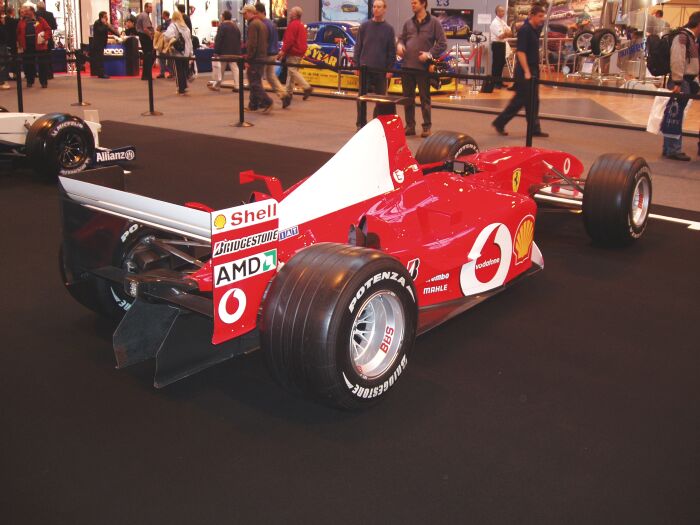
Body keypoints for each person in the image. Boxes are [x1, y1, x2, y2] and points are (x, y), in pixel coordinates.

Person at [492, 4, 548, 138]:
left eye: (543, 16)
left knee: (534, 100)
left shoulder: (535, 28)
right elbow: (521, 52)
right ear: (531, 16)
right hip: (525, 70)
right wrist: (527, 71)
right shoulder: (525, 30)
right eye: (540, 16)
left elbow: (542, 21)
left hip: (533, 69)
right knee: (520, 100)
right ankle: (500, 122)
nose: (542, 19)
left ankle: (534, 128)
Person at [397, 0, 447, 138]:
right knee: (407, 98)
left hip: (423, 68)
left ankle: (426, 127)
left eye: (415, 3)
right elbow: (401, 39)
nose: (412, 5)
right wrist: (400, 45)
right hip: (407, 66)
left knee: (425, 99)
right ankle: (410, 126)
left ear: (423, 4)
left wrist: (429, 54)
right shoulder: (408, 22)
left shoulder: (434, 22)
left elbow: (442, 43)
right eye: (411, 3)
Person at [661, 11, 699, 161]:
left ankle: (669, 148)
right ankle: (673, 149)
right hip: (681, 82)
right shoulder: (682, 37)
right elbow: (677, 59)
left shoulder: (689, 38)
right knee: (675, 116)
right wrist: (677, 82)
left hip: (685, 81)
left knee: (674, 115)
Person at [354, 0, 396, 128]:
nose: (376, 9)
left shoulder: (389, 29)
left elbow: (391, 51)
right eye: (374, 6)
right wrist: (357, 65)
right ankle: (361, 124)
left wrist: (390, 69)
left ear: (384, 9)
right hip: (365, 68)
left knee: (381, 100)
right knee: (361, 98)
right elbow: (358, 46)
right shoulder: (364, 26)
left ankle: (378, 125)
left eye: (379, 7)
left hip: (381, 70)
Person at [241, 4, 273, 112]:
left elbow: (252, 44)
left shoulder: (253, 25)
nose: (244, 16)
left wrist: (248, 58)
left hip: (255, 58)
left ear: (250, 12)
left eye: (245, 13)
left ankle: (267, 102)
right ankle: (253, 104)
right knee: (255, 81)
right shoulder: (262, 24)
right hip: (262, 57)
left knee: (254, 83)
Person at [277, 6, 312, 102]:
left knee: (292, 71)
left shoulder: (293, 25)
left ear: (295, 14)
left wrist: (282, 51)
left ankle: (306, 87)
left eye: (291, 12)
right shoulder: (301, 25)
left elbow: (289, 40)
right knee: (291, 73)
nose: (290, 14)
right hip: (300, 51)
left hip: (294, 52)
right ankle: (288, 93)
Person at [255, 3, 287, 107]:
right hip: (273, 52)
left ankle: (261, 100)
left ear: (260, 12)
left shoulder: (262, 24)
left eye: (256, 13)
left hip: (266, 54)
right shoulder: (272, 23)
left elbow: (264, 41)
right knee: (270, 76)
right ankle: (283, 95)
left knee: (257, 77)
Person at [17, 4, 52, 88]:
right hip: (27, 47)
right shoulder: (22, 21)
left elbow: (48, 30)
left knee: (42, 65)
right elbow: (18, 33)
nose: (25, 13)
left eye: (27, 11)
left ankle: (43, 82)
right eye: (24, 12)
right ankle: (30, 81)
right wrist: (19, 44)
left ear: (32, 11)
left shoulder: (40, 20)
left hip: (40, 46)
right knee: (28, 65)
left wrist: (45, 37)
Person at [208, 10, 241, 91]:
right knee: (235, 68)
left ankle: (217, 85)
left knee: (221, 68)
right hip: (234, 52)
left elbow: (219, 39)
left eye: (221, 16)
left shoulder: (222, 26)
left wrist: (216, 51)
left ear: (223, 17)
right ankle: (237, 86)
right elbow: (239, 38)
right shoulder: (235, 26)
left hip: (224, 52)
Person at [164, 9, 193, 95]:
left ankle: (180, 88)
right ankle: (184, 87)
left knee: (178, 70)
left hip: (178, 52)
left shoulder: (173, 26)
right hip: (186, 52)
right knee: (184, 69)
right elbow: (189, 41)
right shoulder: (186, 27)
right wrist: (190, 52)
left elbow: (167, 36)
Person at [483, 5, 511, 92]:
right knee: (496, 64)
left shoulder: (502, 22)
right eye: (501, 11)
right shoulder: (495, 23)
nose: (503, 13)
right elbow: (501, 35)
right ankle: (495, 82)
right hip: (497, 44)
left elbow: (510, 33)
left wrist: (506, 33)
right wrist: (506, 33)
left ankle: (499, 81)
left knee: (502, 63)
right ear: (497, 12)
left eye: (504, 11)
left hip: (502, 44)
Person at [92, 11, 119, 79]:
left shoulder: (105, 24)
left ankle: (101, 73)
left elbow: (111, 30)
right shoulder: (97, 23)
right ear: (101, 17)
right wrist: (105, 25)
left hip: (102, 43)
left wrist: (118, 34)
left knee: (101, 58)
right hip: (98, 44)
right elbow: (100, 30)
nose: (106, 18)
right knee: (100, 59)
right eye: (105, 16)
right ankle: (101, 74)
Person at [136, 2, 155, 80]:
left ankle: (146, 75)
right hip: (145, 37)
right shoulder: (145, 15)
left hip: (143, 36)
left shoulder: (142, 15)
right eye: (150, 7)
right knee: (149, 56)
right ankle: (147, 75)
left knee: (147, 56)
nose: (151, 9)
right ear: (146, 7)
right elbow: (145, 29)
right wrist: (151, 35)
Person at [156, 10, 172, 78]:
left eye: (162, 14)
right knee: (161, 57)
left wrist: (162, 31)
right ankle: (162, 73)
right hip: (162, 43)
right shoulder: (164, 23)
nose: (161, 16)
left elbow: (169, 32)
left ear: (165, 15)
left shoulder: (170, 23)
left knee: (169, 58)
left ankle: (171, 73)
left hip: (167, 43)